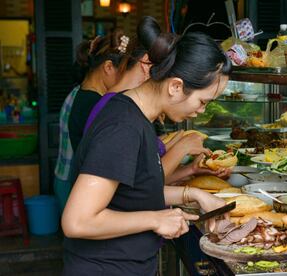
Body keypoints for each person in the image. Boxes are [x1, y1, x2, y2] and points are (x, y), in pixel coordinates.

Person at [61, 16, 232, 275]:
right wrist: (155, 219)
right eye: (202, 101)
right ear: (176, 86)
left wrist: (195, 195)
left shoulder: (137, 118)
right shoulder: (122, 127)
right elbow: (77, 221)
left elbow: (133, 193)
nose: (200, 111)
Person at [54, 29, 140, 213]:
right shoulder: (91, 103)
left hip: (69, 179)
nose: (128, 79)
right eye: (125, 72)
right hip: (78, 186)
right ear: (108, 67)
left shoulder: (82, 93)